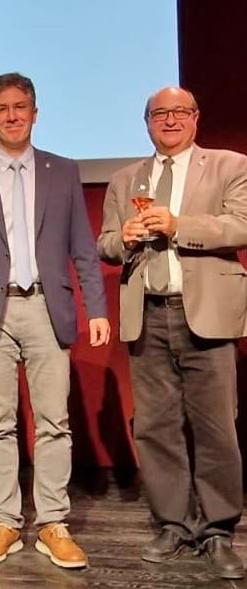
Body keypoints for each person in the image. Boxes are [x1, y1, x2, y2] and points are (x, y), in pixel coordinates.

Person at [0, 72, 109, 568]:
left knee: (55, 422)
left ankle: (53, 521)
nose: (11, 116)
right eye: (1, 109)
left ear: (35, 112)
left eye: (20, 107)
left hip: (44, 307)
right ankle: (6, 520)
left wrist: (95, 307)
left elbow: (81, 246)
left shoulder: (63, 171)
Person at [97, 87, 247, 581]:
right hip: (149, 312)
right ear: (146, 123)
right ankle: (173, 523)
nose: (170, 120)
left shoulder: (228, 165)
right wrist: (126, 237)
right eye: (160, 113)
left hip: (206, 312)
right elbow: (106, 243)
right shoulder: (126, 178)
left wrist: (179, 224)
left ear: (196, 118)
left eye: (180, 112)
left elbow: (241, 225)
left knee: (216, 427)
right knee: (156, 426)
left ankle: (219, 528)